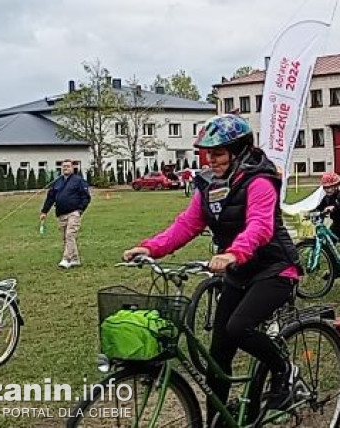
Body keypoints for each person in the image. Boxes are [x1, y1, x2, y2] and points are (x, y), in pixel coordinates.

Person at [122, 114, 302, 415]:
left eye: (217, 153)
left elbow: (260, 226)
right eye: (207, 154)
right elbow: (186, 225)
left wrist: (233, 253)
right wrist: (150, 248)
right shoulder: (207, 185)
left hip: (275, 269)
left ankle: (284, 370)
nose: (211, 160)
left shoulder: (260, 181)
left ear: (239, 150)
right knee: (218, 352)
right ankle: (218, 419)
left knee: (239, 327)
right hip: (239, 273)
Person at [39, 159, 91, 269]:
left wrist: (80, 210)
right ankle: (75, 259)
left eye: (68, 166)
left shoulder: (78, 181)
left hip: (74, 212)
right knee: (66, 237)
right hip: (61, 214)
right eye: (64, 166)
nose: (65, 168)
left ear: (72, 168)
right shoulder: (57, 182)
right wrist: (44, 211)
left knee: (70, 235)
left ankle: (66, 259)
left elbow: (86, 197)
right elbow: (50, 197)